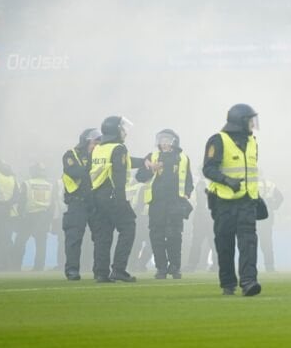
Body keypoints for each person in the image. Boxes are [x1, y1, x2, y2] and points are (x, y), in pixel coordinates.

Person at [203, 103, 263, 296]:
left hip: (247, 201)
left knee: (249, 242)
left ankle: (248, 281)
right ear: (241, 121)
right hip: (224, 202)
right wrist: (227, 180)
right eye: (250, 120)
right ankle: (228, 283)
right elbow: (208, 168)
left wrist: (256, 196)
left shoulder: (253, 141)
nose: (253, 124)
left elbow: (251, 173)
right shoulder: (218, 140)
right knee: (224, 243)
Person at [89, 116, 142, 283]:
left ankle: (100, 272)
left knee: (103, 235)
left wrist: (144, 162)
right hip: (113, 195)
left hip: (97, 196)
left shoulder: (98, 149)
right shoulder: (119, 148)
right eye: (122, 129)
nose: (125, 132)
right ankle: (119, 269)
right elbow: (119, 174)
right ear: (116, 130)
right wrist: (121, 200)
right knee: (128, 228)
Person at [136, 129, 194, 279]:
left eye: (168, 139)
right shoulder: (152, 156)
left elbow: (189, 181)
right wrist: (151, 170)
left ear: (174, 141)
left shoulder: (182, 158)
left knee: (175, 236)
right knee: (157, 236)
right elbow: (140, 176)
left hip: (176, 203)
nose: (164, 142)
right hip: (156, 204)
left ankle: (175, 267)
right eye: (161, 139)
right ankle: (161, 268)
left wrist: (187, 192)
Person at [61, 128, 100, 280]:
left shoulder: (98, 155)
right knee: (74, 238)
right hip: (77, 203)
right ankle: (72, 270)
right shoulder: (71, 154)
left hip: (95, 202)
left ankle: (100, 270)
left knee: (100, 238)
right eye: (94, 142)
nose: (97, 145)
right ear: (86, 141)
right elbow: (76, 172)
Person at [14, 163, 54, 271]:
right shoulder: (50, 185)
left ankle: (16, 265)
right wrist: (49, 218)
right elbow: (52, 204)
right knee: (41, 243)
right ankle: (39, 266)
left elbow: (22, 201)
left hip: (29, 216)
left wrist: (20, 214)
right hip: (44, 216)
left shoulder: (27, 183)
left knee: (20, 241)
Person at [186, 177, 215, 273]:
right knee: (199, 242)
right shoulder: (204, 183)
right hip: (205, 215)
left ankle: (192, 265)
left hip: (207, 216)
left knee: (203, 242)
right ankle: (192, 265)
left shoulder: (202, 183)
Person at [256, 177, 283, 273]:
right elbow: (280, 198)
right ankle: (269, 266)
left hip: (251, 218)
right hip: (266, 218)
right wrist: (273, 206)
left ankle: (250, 267)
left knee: (250, 244)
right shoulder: (270, 185)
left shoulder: (246, 183)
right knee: (267, 244)